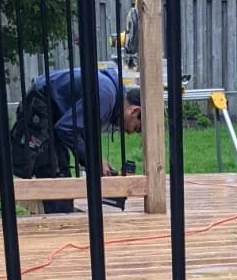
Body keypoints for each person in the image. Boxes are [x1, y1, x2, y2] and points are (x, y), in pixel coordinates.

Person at [10, 62, 141, 214]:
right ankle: (58, 225)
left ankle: (58, 219)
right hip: (42, 102)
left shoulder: (110, 95)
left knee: (58, 171)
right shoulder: (106, 96)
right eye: (136, 128)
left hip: (51, 106)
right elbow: (67, 128)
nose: (130, 132)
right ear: (134, 111)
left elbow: (81, 127)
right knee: (55, 172)